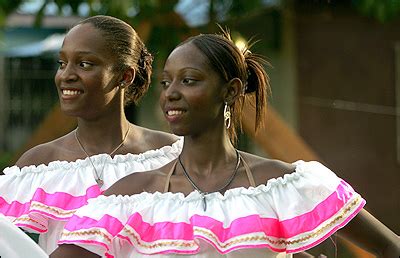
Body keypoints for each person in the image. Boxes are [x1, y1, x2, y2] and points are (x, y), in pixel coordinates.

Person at [51, 28, 399, 258]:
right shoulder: (128, 197)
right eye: (166, 82)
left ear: (230, 90)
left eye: (189, 81)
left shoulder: (284, 185)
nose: (171, 94)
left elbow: (388, 246)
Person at [0, 15, 183, 255]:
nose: (66, 75)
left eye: (84, 64)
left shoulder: (169, 154)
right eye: (62, 63)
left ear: (124, 76)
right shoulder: (37, 165)